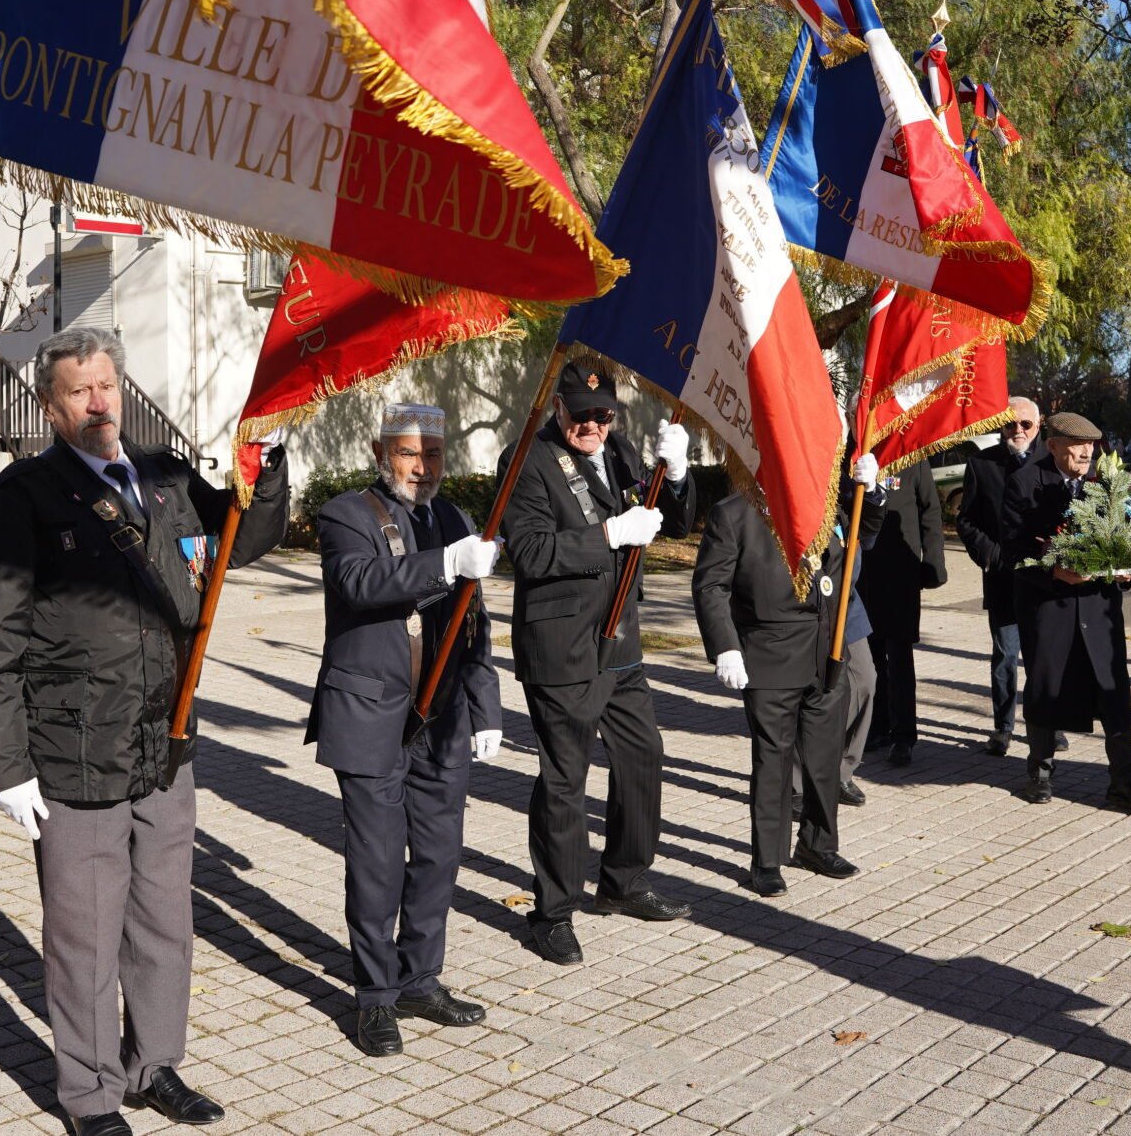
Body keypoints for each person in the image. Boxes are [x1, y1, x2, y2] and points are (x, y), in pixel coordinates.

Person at [0, 327, 288, 1135]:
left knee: (164, 918)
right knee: (86, 935)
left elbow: (248, 534)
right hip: (73, 754)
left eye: (108, 385)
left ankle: (154, 1064)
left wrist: (266, 468)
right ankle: (93, 1094)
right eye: (80, 390)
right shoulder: (21, 498)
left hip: (165, 744)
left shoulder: (167, 477)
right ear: (50, 406)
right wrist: (4, 766)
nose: (99, 403)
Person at [310, 404, 502, 1057]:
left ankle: (421, 978)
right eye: (408, 453)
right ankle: (375, 998)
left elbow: (474, 624)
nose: (422, 468)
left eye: (434, 454)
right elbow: (362, 582)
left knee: (440, 856)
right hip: (371, 714)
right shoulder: (347, 514)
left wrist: (488, 707)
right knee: (377, 864)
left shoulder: (455, 519)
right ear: (378, 450)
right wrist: (449, 562)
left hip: (442, 718)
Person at [500, 362, 696, 966]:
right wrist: (608, 534)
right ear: (559, 407)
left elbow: (675, 524)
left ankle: (624, 880)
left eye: (602, 414)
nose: (591, 424)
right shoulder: (526, 458)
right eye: (580, 413)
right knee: (566, 779)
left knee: (643, 754)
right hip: (561, 647)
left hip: (620, 643)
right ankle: (552, 912)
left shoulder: (622, 451)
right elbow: (529, 551)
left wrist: (680, 474)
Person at [692, 458, 880, 895]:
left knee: (823, 756)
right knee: (773, 760)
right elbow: (710, 586)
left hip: (826, 651)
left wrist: (871, 494)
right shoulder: (734, 511)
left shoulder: (822, 502)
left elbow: (860, 533)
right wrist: (726, 647)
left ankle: (817, 844)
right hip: (769, 654)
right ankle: (767, 858)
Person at [1001, 410, 1131, 809]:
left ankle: (1124, 781)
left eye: (1091, 444)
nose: (1086, 451)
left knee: (1114, 691)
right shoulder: (1024, 483)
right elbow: (1013, 551)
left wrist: (1129, 568)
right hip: (1049, 608)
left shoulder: (1106, 486)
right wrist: (1055, 571)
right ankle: (1039, 773)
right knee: (1046, 686)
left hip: (1099, 609)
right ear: (1053, 445)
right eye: (1077, 444)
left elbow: (1125, 536)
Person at [955, 398, 1052, 755]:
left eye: (1025, 424)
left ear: (1038, 424)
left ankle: (1048, 725)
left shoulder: (1051, 460)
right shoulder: (982, 464)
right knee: (1005, 656)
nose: (1018, 431)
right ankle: (1003, 728)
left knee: (1045, 655)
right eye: (1011, 424)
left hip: (1044, 579)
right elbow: (966, 520)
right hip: (1002, 579)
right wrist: (992, 555)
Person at [857, 458, 946, 766]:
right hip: (861, 573)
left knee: (899, 656)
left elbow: (930, 510)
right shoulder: (851, 456)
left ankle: (903, 735)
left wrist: (933, 561)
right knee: (868, 656)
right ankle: (877, 727)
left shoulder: (911, 457)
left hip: (900, 572)